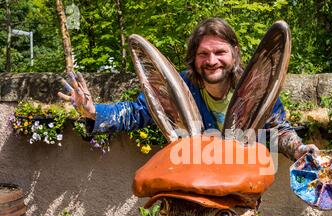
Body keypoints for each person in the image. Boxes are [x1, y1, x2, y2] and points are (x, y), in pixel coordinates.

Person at [58, 18, 318, 160]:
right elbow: (137, 111)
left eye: (220, 52)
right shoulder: (181, 88)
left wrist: (298, 149)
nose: (212, 60)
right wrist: (93, 111)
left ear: (235, 54)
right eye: (203, 53)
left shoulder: (255, 89)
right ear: (194, 57)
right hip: (193, 189)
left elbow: (277, 129)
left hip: (239, 189)